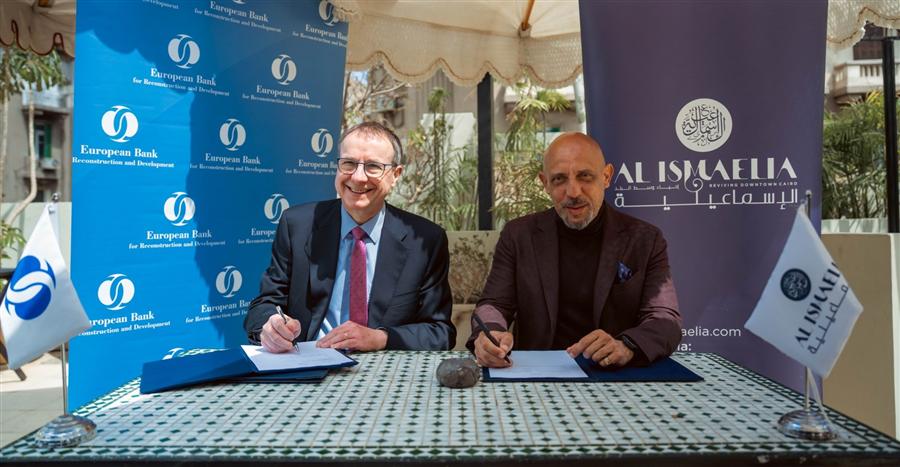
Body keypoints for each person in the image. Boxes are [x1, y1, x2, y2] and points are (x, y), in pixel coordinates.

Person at [468, 132, 681, 368]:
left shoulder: (645, 239)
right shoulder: (518, 235)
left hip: (615, 375)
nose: (573, 192)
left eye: (585, 176)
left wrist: (626, 345)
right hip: (537, 374)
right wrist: (490, 334)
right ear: (545, 183)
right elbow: (493, 304)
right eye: (559, 179)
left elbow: (665, 319)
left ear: (606, 176)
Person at [245, 122, 455, 352]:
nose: (358, 177)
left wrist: (380, 338)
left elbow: (440, 332)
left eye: (373, 166)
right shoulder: (297, 225)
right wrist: (270, 326)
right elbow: (264, 304)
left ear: (395, 175)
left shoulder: (425, 240)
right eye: (349, 164)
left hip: (384, 366)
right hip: (309, 360)